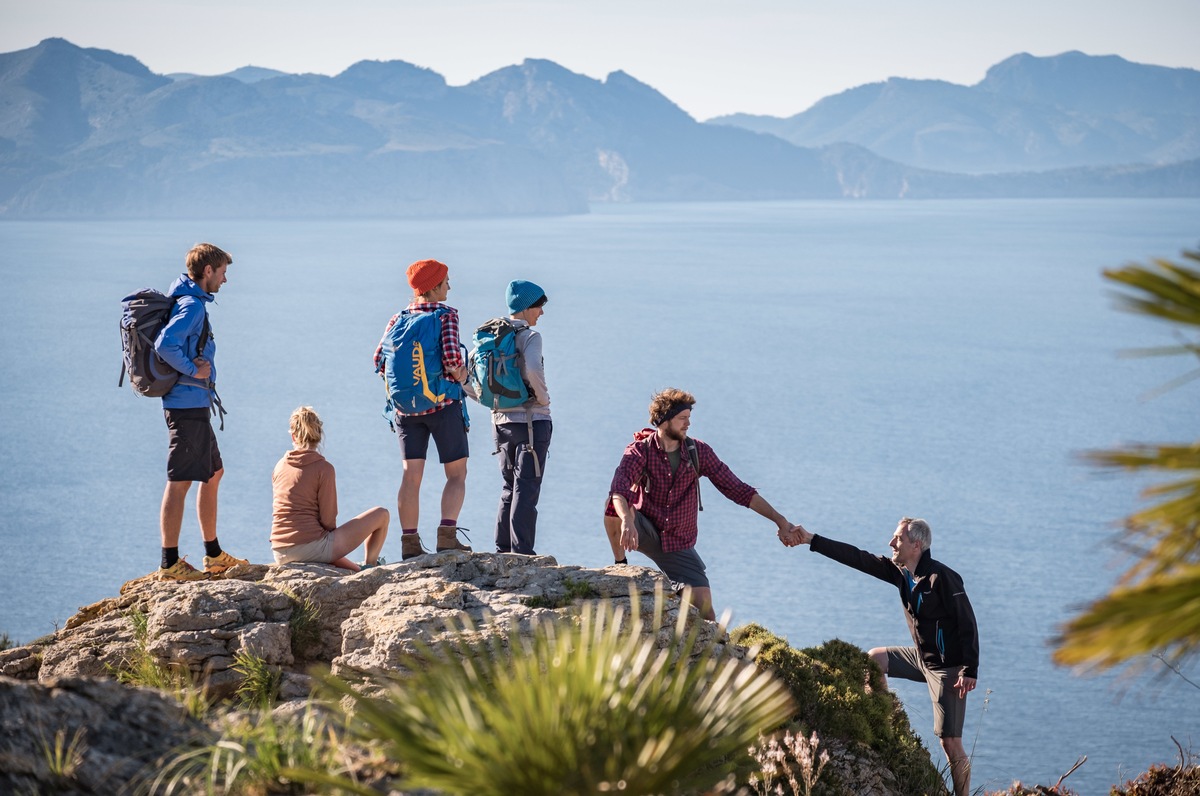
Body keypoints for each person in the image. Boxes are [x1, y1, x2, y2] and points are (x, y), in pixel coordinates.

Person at [787, 517, 979, 796]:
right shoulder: (902, 573)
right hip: (922, 659)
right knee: (874, 660)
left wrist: (969, 669)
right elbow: (857, 558)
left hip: (948, 668)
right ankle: (883, 721)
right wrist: (811, 540)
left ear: (916, 545)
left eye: (897, 539)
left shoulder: (942, 577)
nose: (891, 543)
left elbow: (968, 623)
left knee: (950, 742)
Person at [604, 388, 797, 620]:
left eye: (689, 418)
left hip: (678, 541)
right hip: (643, 529)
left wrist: (780, 520)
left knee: (706, 616)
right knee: (613, 506)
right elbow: (619, 488)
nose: (688, 424)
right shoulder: (640, 451)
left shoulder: (699, 452)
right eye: (682, 418)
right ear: (664, 421)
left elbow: (738, 490)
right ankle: (620, 564)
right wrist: (627, 520)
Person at [152, 242, 247, 581]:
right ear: (208, 271)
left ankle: (213, 554)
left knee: (213, 472)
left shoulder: (190, 302)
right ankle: (170, 564)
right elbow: (165, 344)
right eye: (222, 273)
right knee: (179, 482)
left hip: (195, 404)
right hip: (185, 405)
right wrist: (194, 371)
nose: (225, 280)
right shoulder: (192, 306)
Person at [374, 259, 472, 560]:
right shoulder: (445, 316)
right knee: (456, 474)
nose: (449, 287)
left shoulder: (398, 318)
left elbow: (379, 360)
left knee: (410, 476)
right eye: (445, 282)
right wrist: (465, 378)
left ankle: (410, 543)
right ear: (433, 287)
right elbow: (453, 361)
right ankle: (446, 536)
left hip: (405, 411)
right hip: (442, 406)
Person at [473, 279, 551, 555]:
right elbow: (531, 367)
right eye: (539, 306)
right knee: (527, 487)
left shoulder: (491, 337)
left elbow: (468, 379)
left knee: (509, 486)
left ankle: (502, 549)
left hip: (500, 423)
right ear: (527, 307)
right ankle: (523, 553)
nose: (541, 312)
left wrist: (491, 403)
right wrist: (542, 398)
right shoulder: (530, 337)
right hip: (533, 421)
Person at [270, 406, 389, 571]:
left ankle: (357, 568)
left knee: (323, 543)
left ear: (293, 436)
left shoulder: (279, 466)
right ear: (319, 436)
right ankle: (370, 566)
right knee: (381, 514)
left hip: (279, 551)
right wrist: (333, 542)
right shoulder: (323, 468)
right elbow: (327, 520)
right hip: (309, 548)